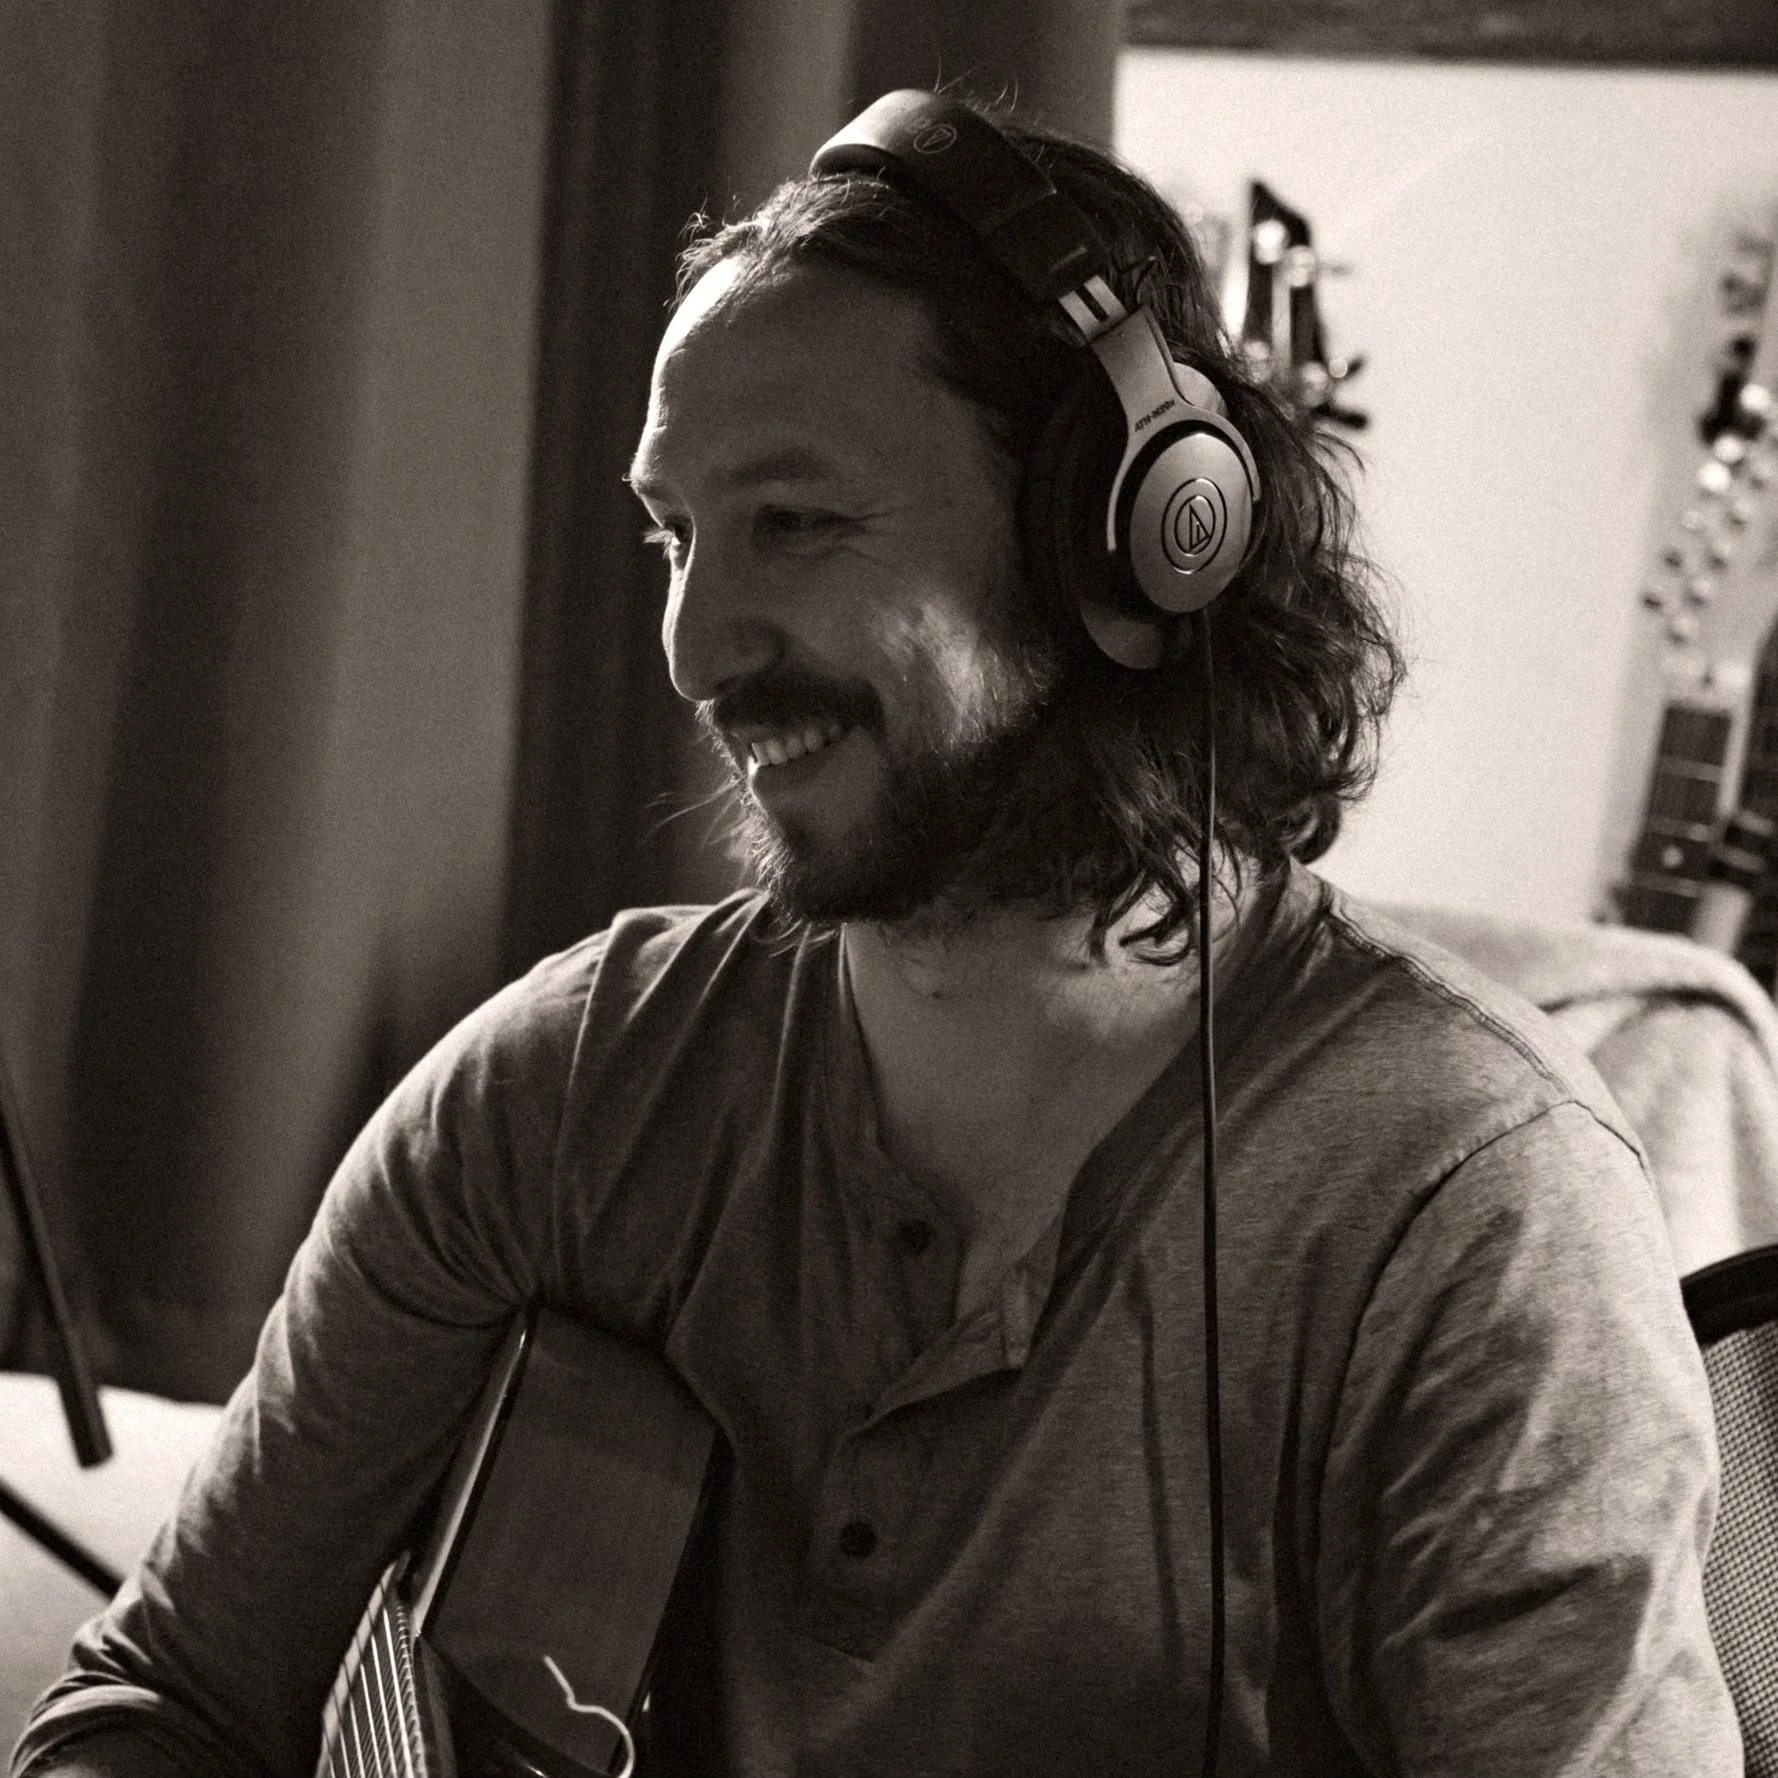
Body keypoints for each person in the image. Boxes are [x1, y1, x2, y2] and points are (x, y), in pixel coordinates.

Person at [12, 91, 1739, 1778]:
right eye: (672, 537)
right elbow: (166, 1693)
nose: (694, 647)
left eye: (795, 522)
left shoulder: (1469, 1209)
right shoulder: (557, 1098)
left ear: (1124, 553)